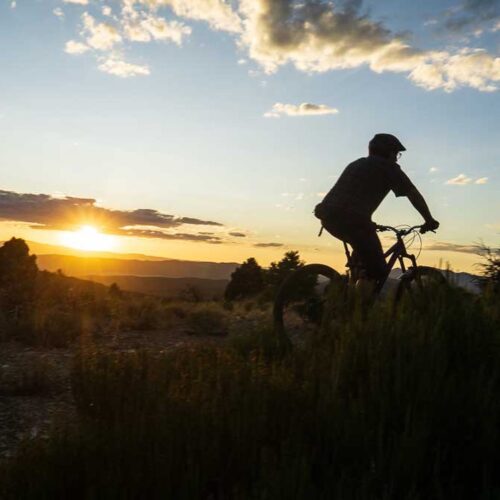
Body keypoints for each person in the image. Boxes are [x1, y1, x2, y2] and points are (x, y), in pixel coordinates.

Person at [315, 133, 439, 285]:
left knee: (362, 253)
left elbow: (352, 197)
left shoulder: (357, 163)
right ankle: (357, 306)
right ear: (389, 152)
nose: (396, 158)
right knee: (379, 271)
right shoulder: (389, 168)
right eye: (396, 154)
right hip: (353, 220)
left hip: (327, 216)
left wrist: (368, 223)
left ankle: (349, 289)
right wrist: (429, 220)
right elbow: (413, 195)